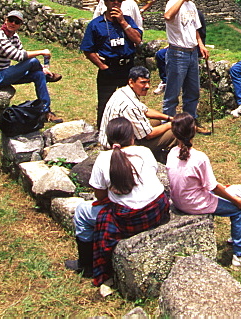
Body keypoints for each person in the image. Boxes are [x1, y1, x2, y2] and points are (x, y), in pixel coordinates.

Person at [67, 118, 169, 286]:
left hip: (128, 218)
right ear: (132, 138)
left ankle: (86, 264)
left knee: (81, 211)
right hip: (157, 209)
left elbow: (100, 196)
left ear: (108, 139)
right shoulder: (144, 152)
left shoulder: (103, 159)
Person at [166, 113, 241, 266]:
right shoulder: (199, 157)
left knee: (229, 198)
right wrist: (236, 201)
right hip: (194, 203)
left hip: (179, 201)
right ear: (194, 130)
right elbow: (213, 187)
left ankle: (239, 238)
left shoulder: (171, 153)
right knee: (237, 211)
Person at [81, 0, 142, 128]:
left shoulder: (127, 20)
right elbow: (87, 49)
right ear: (106, 2)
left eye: (118, 1)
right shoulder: (96, 24)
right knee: (105, 103)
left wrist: (122, 22)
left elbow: (137, 40)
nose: (115, 3)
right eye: (112, 0)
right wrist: (102, 66)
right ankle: (103, 131)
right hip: (109, 67)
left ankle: (130, 131)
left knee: (130, 101)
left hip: (127, 67)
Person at [0, 9, 63, 123]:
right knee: (32, 61)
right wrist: (42, 52)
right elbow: (16, 55)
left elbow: (22, 54)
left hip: (5, 73)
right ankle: (47, 76)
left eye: (17, 22)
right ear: (5, 20)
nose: (13, 24)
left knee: (38, 75)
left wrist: (41, 68)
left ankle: (45, 111)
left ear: (20, 25)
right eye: (11, 20)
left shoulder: (14, 36)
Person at [98, 66, 177, 161]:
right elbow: (149, 134)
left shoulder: (122, 91)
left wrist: (169, 118)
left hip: (112, 138)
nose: (147, 86)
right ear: (131, 82)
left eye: (148, 82)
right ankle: (161, 159)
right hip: (116, 148)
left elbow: (146, 110)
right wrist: (172, 124)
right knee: (175, 132)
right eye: (143, 83)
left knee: (156, 122)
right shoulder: (130, 105)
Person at [162, 0, 208, 118]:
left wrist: (201, 45)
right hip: (177, 52)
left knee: (193, 90)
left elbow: (195, 28)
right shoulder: (173, 2)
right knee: (173, 91)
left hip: (192, 52)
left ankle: (189, 121)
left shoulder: (192, 6)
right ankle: (168, 123)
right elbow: (168, 17)